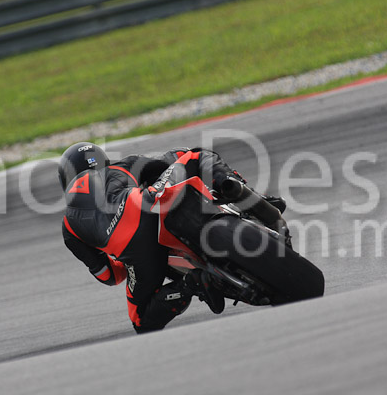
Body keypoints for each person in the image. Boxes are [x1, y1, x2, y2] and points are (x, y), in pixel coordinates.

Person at [59, 142, 286, 333]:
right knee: (195, 155)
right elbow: (170, 161)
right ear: (104, 161)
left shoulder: (68, 227)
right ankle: (247, 195)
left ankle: (191, 284)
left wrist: (123, 256)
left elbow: (110, 276)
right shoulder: (123, 166)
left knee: (141, 321)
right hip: (147, 206)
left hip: (135, 251)